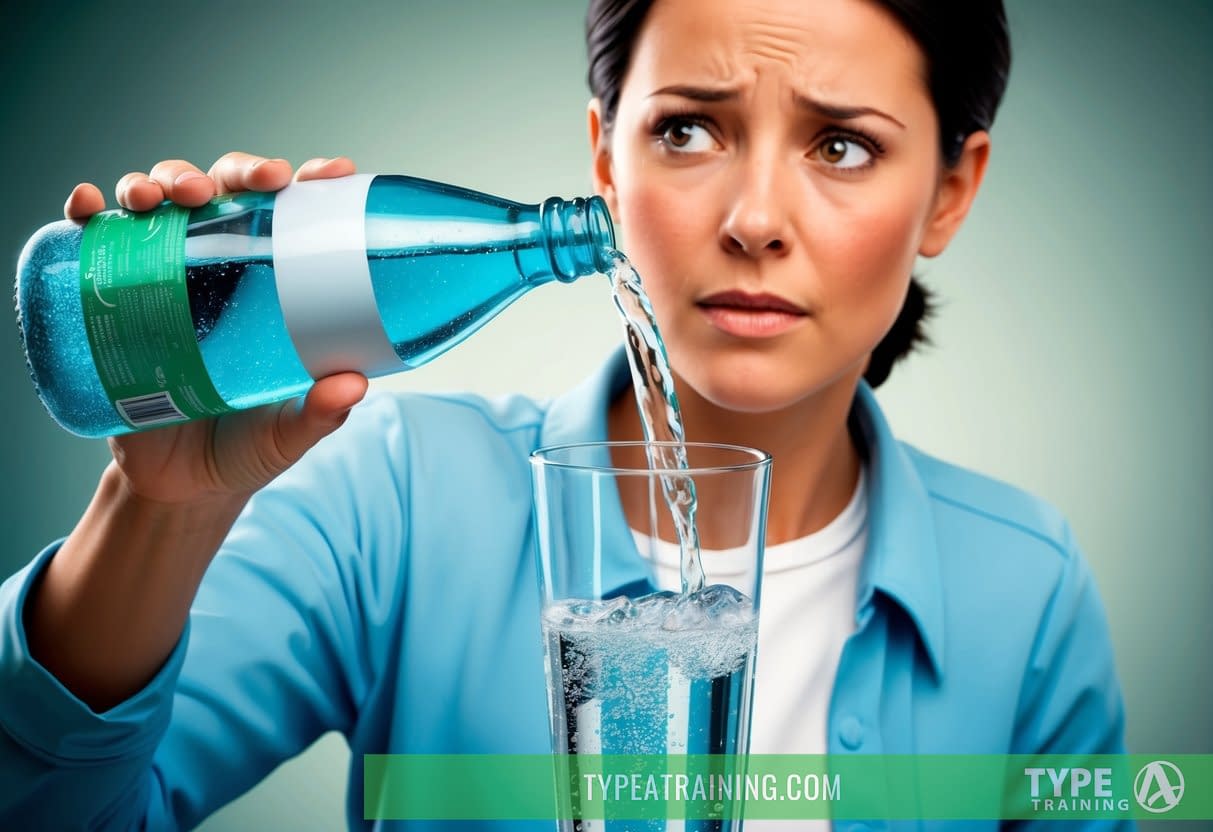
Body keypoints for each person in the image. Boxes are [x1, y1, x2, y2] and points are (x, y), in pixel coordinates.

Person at [0, 0, 1131, 829]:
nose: (753, 220)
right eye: (687, 130)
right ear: (603, 158)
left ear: (948, 191)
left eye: (842, 146)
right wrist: (162, 509)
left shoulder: (1024, 586)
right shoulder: (398, 497)